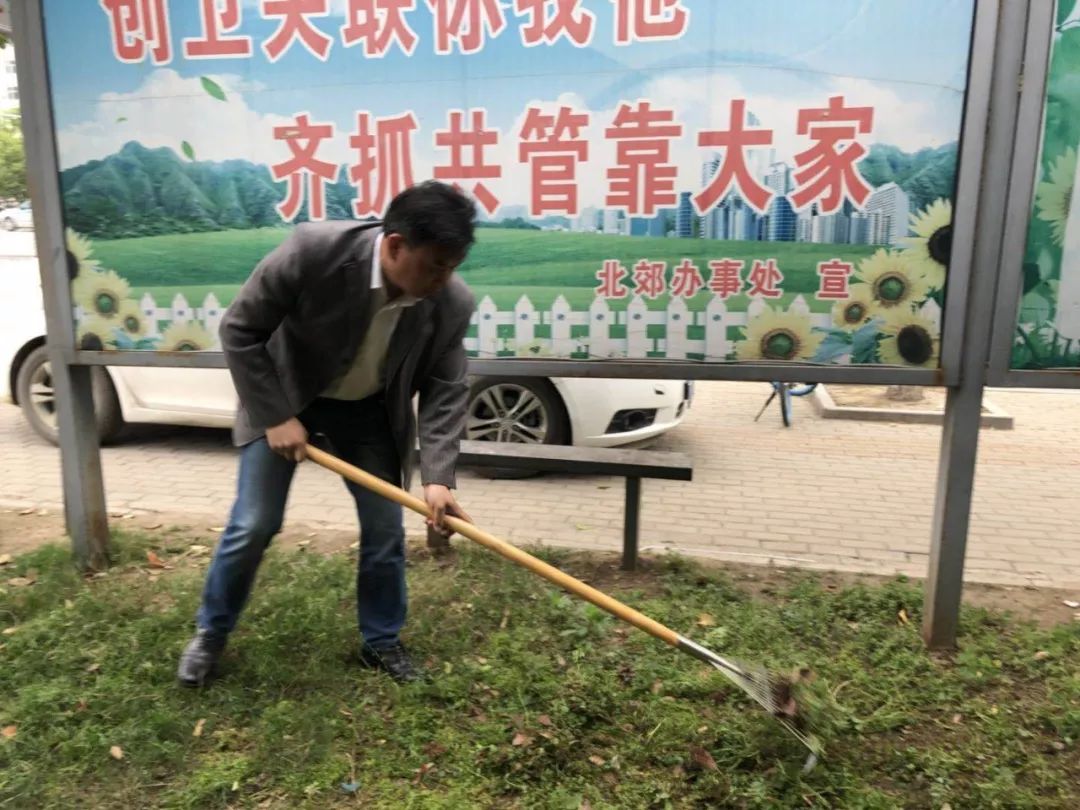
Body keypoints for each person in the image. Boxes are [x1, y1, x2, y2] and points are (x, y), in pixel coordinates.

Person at [177, 181, 477, 687]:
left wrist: (438, 478)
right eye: (435, 266)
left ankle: (381, 641)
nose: (443, 279)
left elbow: (446, 388)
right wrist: (275, 416)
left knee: (385, 530)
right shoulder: (314, 252)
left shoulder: (450, 301)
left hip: (367, 412)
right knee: (254, 523)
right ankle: (211, 632)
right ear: (395, 246)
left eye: (452, 267)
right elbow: (240, 330)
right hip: (285, 397)